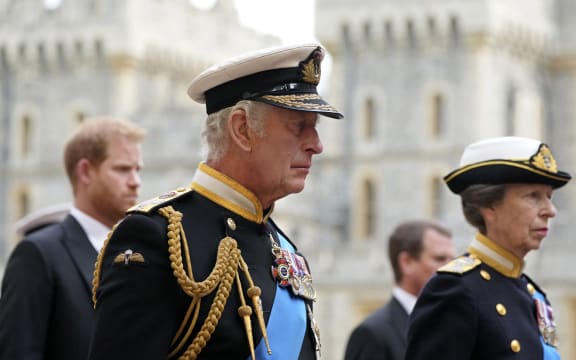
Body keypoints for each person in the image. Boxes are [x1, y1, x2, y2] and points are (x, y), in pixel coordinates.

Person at [88, 43, 343, 360]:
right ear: (242, 129)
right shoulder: (158, 238)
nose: (316, 145)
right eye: (299, 127)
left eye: (314, 128)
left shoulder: (283, 245)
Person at [405, 136, 571, 360]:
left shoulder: (531, 292)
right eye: (533, 196)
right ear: (489, 205)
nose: (550, 210)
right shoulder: (454, 291)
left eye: (549, 197)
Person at [0, 116, 145, 360]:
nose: (135, 182)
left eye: (138, 169)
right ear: (85, 171)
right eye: (123, 169)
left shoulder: (141, 252)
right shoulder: (38, 254)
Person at [343, 220, 455, 360]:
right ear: (406, 262)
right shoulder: (372, 334)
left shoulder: (452, 325)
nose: (451, 268)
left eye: (453, 260)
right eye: (440, 259)